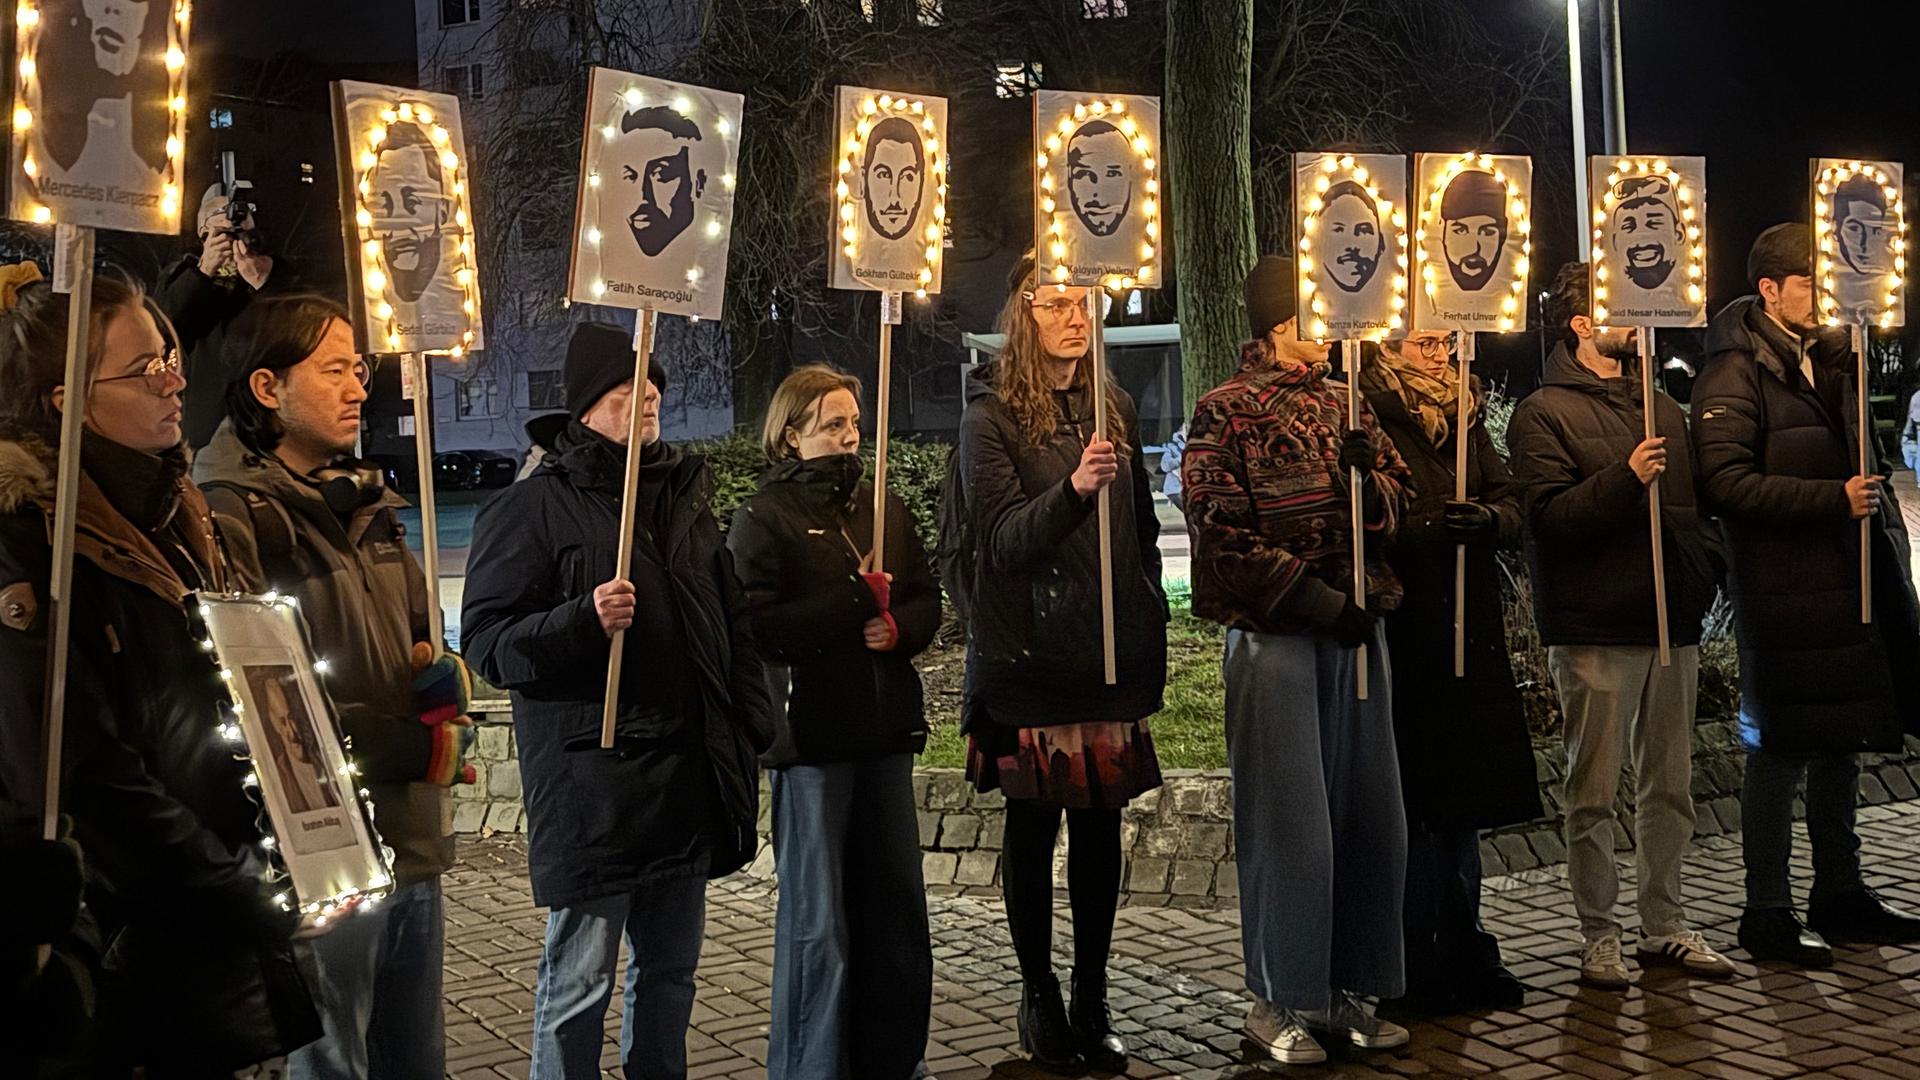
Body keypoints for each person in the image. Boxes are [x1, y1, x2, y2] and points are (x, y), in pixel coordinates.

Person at [0, 261, 318, 1072]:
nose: (176, 378)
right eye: (148, 368)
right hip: (122, 961)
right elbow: (89, 773)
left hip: (216, 941)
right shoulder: (34, 549)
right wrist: (241, 886)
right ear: (72, 402)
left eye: (170, 352)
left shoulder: (182, 514)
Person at [461, 320, 773, 1080]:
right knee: (580, 983)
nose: (648, 398)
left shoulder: (684, 503)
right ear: (585, 409)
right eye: (625, 388)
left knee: (669, 977)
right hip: (595, 786)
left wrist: (750, 719)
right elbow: (488, 643)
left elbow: (729, 624)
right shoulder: (533, 509)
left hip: (683, 780)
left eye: (654, 386)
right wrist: (582, 620)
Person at [193, 293, 474, 1078]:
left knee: (413, 1062)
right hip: (326, 857)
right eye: (334, 371)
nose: (358, 389)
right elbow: (256, 698)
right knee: (334, 1065)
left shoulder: (370, 504)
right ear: (265, 388)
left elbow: (423, 643)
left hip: (409, 838)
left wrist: (443, 680)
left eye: (360, 369)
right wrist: (409, 744)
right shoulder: (233, 512)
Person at [1182, 255, 1413, 1065]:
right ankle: (1278, 996)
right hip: (1280, 637)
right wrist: (1316, 601)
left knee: (1367, 816)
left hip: (1356, 637)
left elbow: (1398, 493)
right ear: (1283, 324)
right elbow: (1219, 534)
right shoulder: (1224, 413)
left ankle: (1351, 986)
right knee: (1292, 827)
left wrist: (1371, 488)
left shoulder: (1348, 404)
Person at [949, 256, 1167, 1073]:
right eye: (1056, 305)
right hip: (1030, 654)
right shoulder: (990, 416)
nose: (1075, 318)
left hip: (1105, 651)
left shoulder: (1111, 403)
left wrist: (1144, 600)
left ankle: (1093, 991)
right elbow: (1001, 540)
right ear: (1023, 314)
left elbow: (1140, 520)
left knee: (1101, 824)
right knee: (1035, 826)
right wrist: (1074, 488)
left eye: (1086, 303)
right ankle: (1037, 991)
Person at [1693, 224, 1920, 967]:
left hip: (1845, 587)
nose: (1825, 299)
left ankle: (1841, 892)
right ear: (1770, 290)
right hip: (1785, 591)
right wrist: (1830, 500)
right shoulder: (1733, 373)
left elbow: (1866, 461)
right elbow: (1724, 484)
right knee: (1780, 753)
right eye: (1811, 286)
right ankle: (1767, 910)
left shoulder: (1830, 363)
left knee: (1843, 745)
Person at [1507, 261, 1734, 990]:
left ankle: (1663, 921)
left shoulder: (1663, 406)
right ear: (1581, 325)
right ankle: (1598, 933)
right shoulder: (1543, 412)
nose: (1638, 322)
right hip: (1597, 625)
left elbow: (1694, 512)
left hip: (1672, 622)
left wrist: (1701, 571)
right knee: (1593, 790)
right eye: (1618, 310)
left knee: (1670, 784)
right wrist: (1624, 477)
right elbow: (1547, 519)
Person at [727, 365, 939, 1080]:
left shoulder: (886, 510)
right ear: (791, 436)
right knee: (821, 925)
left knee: (896, 915)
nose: (849, 438)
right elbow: (756, 628)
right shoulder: (765, 519)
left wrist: (901, 627)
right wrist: (854, 601)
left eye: (853, 423)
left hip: (883, 737)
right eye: (832, 425)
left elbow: (925, 599)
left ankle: (892, 1057)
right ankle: (812, 1065)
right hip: (813, 742)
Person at [1361, 330, 1541, 1014]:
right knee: (1413, 804)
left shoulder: (1463, 413)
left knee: (1462, 805)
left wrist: (1490, 517)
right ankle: (1409, 957)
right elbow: (1373, 515)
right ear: (1390, 347)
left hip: (1470, 625)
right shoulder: (1370, 410)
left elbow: (1511, 499)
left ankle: (1466, 943)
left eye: (1443, 342)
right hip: (1408, 629)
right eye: (1421, 343)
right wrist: (1439, 523)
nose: (1437, 355)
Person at [160, 183, 280, 451]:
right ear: (204, 232)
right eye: (226, 231)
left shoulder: (274, 271)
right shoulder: (181, 274)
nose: (235, 239)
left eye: (243, 232)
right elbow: (164, 328)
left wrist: (265, 282)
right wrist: (203, 272)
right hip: (206, 420)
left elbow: (298, 324)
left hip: (266, 417)